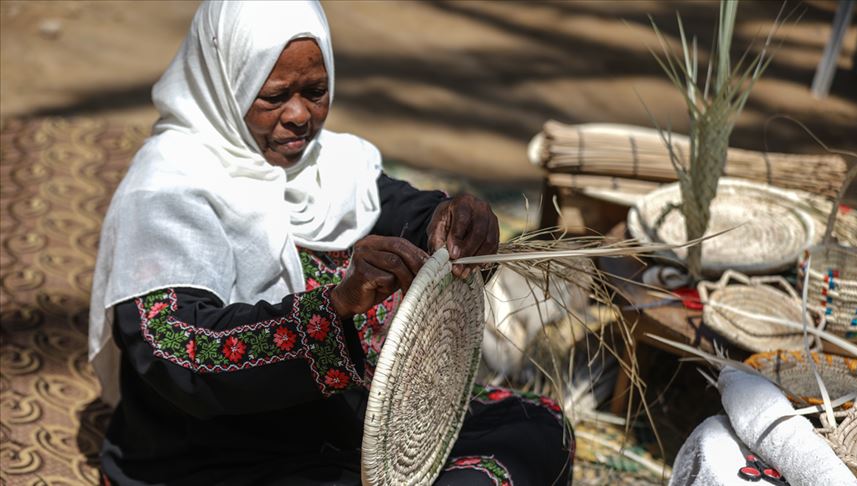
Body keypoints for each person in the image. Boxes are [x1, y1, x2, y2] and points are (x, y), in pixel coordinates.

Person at [88, 1, 572, 484]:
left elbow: (401, 209)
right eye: (274, 96)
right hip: (218, 452)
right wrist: (334, 307)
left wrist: (451, 222)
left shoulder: (333, 165)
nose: (300, 115)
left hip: (345, 423)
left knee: (539, 427)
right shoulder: (164, 193)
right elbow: (178, 353)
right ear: (226, 84)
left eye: (315, 91)